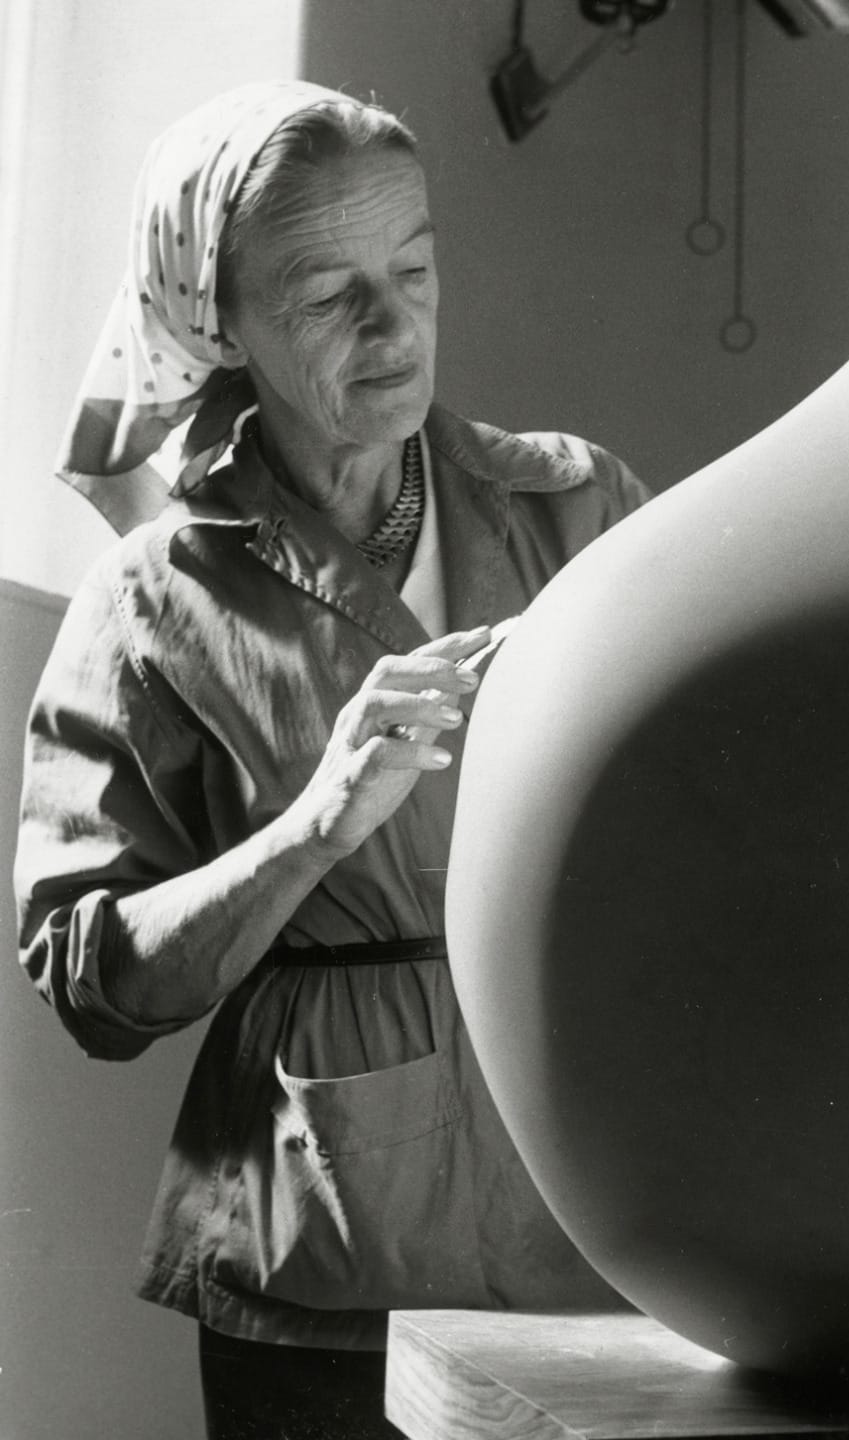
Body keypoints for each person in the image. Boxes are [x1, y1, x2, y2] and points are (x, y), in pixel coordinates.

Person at [14, 81, 648, 1439]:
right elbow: (90, 984)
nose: (394, 323)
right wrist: (312, 828)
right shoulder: (152, 601)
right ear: (220, 323)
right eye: (326, 292)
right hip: (321, 1246)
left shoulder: (579, 505)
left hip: (595, 1221)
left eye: (414, 268)